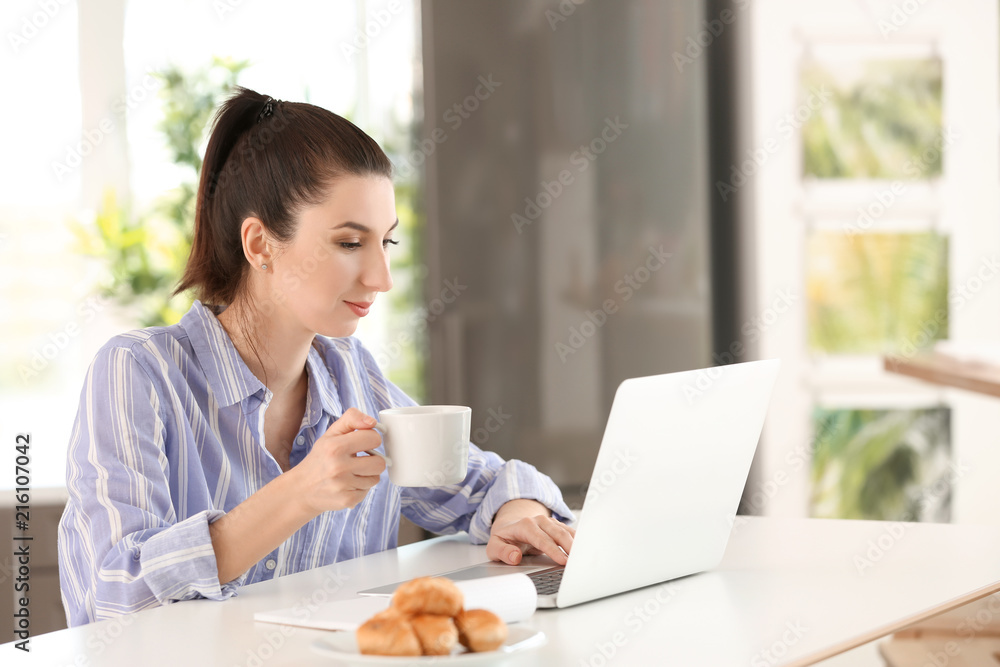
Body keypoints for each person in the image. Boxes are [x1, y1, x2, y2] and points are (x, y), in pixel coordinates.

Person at [57, 87, 575, 627]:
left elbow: (485, 485)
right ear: (259, 245)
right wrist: (299, 493)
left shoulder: (351, 375)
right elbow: (115, 592)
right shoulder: (138, 374)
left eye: (387, 243)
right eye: (350, 243)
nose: (381, 278)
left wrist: (521, 513)